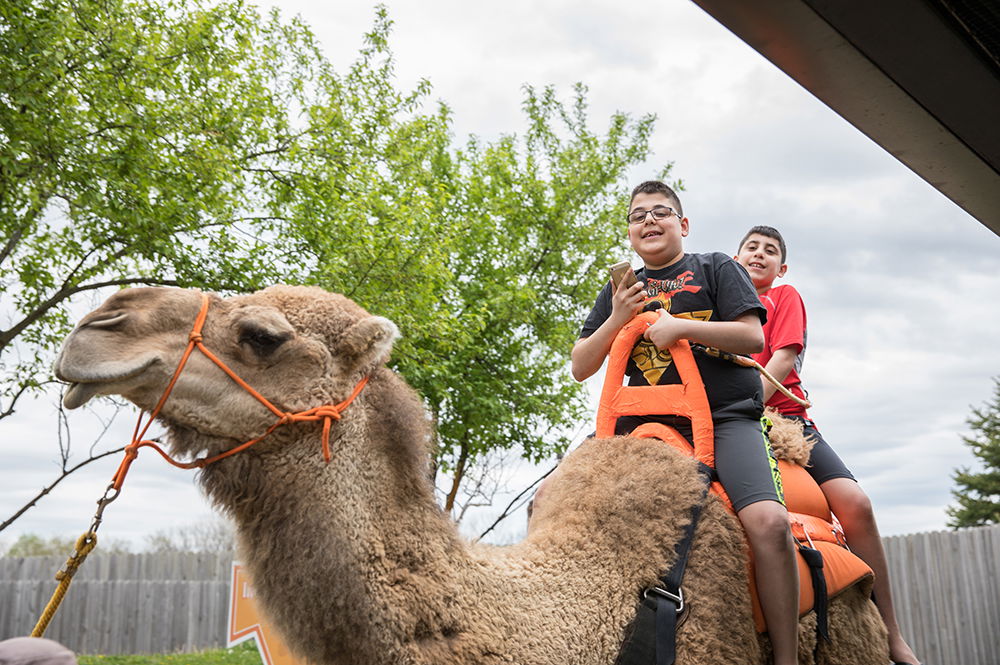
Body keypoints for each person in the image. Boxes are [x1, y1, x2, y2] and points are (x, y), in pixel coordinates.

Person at [572, 181, 800, 665]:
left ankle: (785, 655)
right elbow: (580, 365)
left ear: (684, 224)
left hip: (724, 419)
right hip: (641, 426)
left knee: (769, 522)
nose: (649, 221)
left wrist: (681, 327)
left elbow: (752, 337)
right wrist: (616, 318)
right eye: (638, 216)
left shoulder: (716, 266)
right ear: (630, 233)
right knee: (548, 500)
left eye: (661, 212)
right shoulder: (621, 288)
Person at [735, 225, 921, 665]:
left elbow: (781, 356)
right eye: (751, 248)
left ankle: (891, 633)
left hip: (786, 419)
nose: (759, 254)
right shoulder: (718, 305)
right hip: (728, 422)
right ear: (734, 258)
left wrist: (745, 407)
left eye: (770, 251)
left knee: (856, 503)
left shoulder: (784, 298)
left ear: (782, 267)